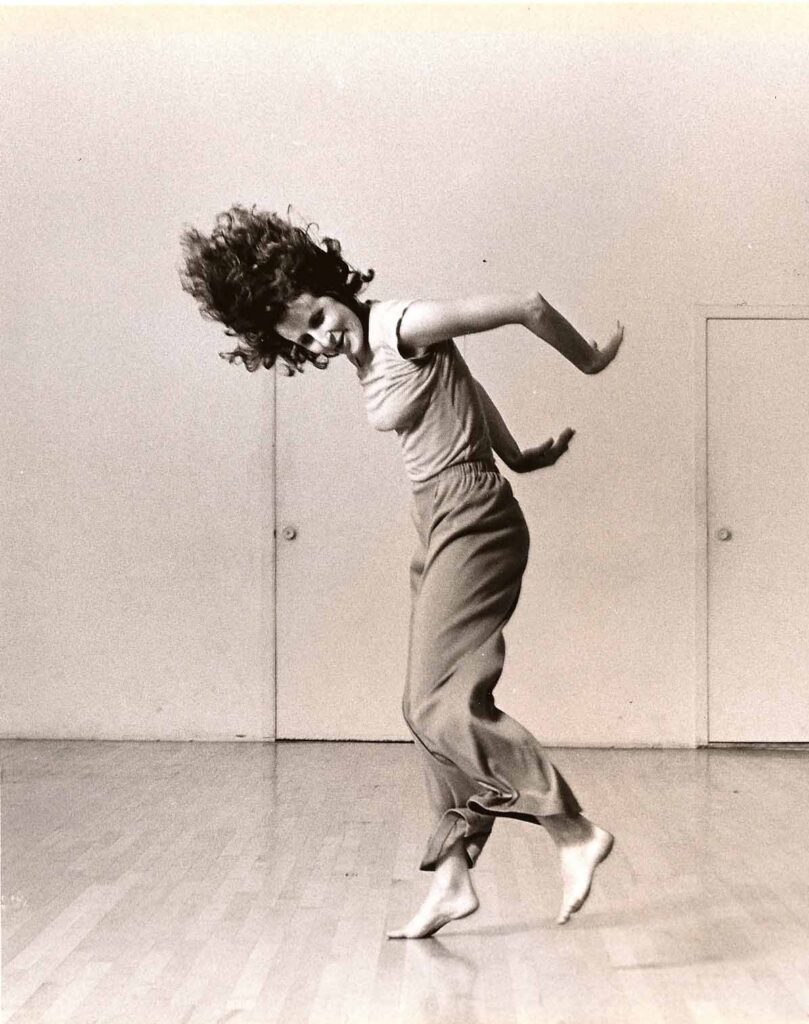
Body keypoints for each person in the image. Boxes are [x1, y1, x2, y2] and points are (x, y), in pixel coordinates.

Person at [180, 205, 623, 938]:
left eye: (319, 319)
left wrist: (590, 361)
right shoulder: (367, 353)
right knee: (422, 707)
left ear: (325, 285)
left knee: (439, 705)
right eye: (303, 342)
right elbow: (463, 388)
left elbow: (527, 306)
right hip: (439, 516)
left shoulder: (398, 324)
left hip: (473, 517)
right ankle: (451, 875)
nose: (321, 341)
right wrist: (520, 455)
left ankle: (570, 827)